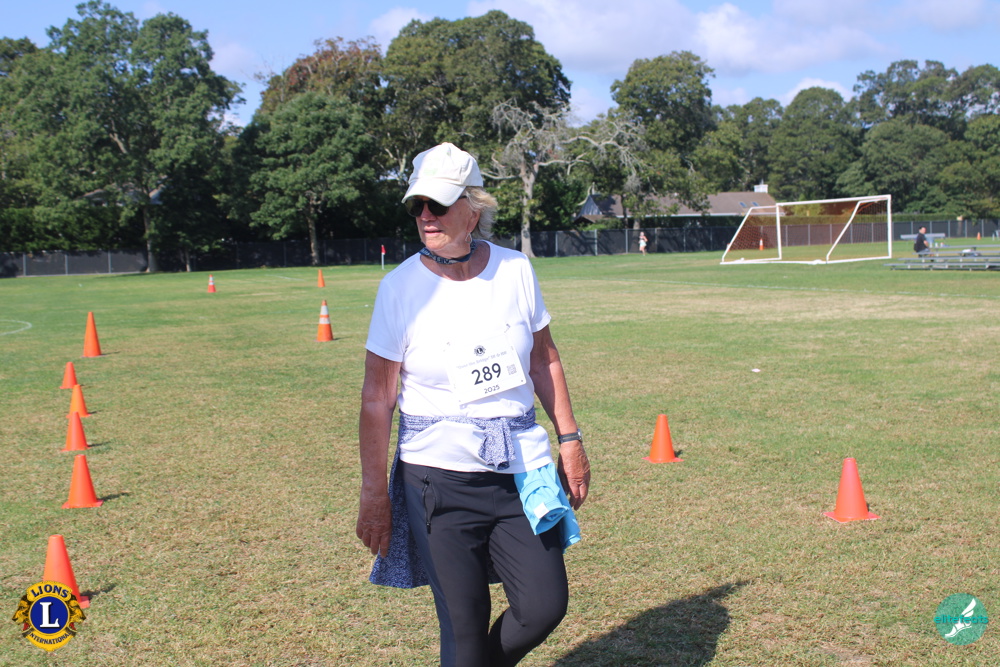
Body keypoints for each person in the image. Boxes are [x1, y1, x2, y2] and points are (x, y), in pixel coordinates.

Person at [356, 142, 591, 667]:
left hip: (521, 473)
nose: (425, 216)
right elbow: (377, 399)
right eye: (417, 205)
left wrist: (570, 439)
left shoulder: (515, 270)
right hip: (437, 482)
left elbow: (544, 360)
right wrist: (374, 494)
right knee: (463, 627)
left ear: (473, 208)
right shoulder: (399, 289)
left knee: (543, 606)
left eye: (437, 204)